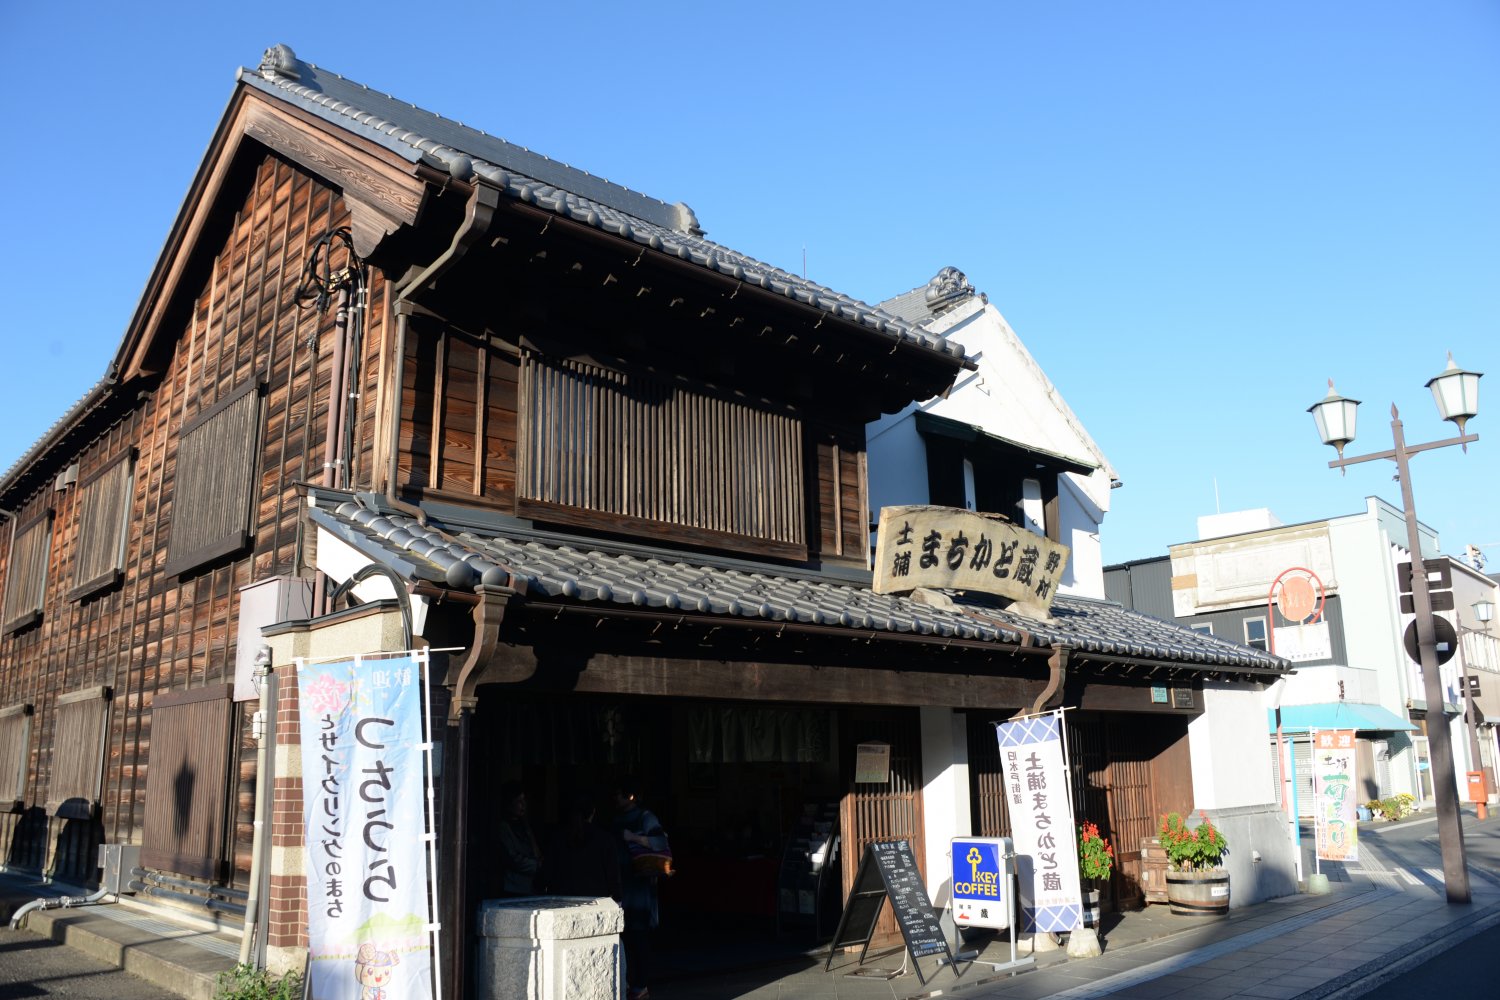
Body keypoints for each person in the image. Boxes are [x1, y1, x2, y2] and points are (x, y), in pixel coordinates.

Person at [613, 780, 667, 1000]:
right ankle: (630, 982)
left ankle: (640, 984)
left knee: (638, 937)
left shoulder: (645, 817)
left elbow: (660, 842)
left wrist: (633, 837)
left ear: (631, 796)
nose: (615, 798)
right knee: (626, 936)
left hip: (639, 887)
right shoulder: (617, 819)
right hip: (623, 885)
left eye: (619, 794)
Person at [539, 791, 621, 901]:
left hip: (561, 902)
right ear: (593, 811)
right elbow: (613, 877)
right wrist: (617, 898)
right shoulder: (605, 839)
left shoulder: (557, 837)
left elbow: (546, 873)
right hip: (594, 903)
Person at [497, 781, 541, 897]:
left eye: (524, 801)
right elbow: (512, 858)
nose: (523, 805)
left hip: (528, 886)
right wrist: (536, 865)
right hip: (512, 886)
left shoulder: (524, 826)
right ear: (509, 803)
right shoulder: (504, 827)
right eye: (519, 801)